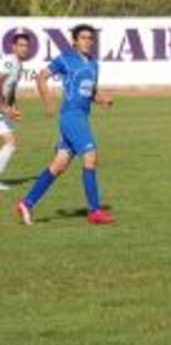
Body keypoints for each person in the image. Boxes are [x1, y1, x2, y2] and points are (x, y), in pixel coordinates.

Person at [16, 24, 115, 225]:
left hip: (81, 116)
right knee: (90, 156)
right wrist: (48, 102)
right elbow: (41, 77)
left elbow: (89, 91)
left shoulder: (94, 64)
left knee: (58, 165)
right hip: (71, 117)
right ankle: (95, 211)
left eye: (90, 38)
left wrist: (101, 98)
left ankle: (27, 203)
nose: (88, 41)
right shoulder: (66, 59)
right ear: (75, 41)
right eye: (84, 38)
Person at [0, 33, 30, 190]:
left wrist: (13, 107)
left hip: (3, 108)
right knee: (11, 142)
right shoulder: (9, 62)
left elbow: (10, 89)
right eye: (21, 45)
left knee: (11, 143)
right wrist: (4, 108)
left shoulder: (19, 65)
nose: (24, 48)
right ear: (13, 47)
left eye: (26, 46)